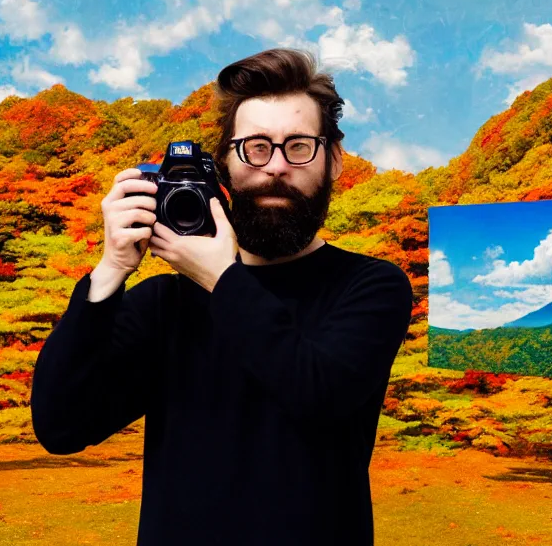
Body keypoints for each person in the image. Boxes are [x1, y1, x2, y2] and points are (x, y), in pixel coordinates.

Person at [30, 47, 414, 545]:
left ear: (335, 160)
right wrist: (108, 274)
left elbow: (318, 394)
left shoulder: (371, 286)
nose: (276, 167)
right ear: (225, 165)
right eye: (255, 147)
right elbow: (61, 426)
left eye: (298, 146)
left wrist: (220, 279)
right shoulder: (165, 302)